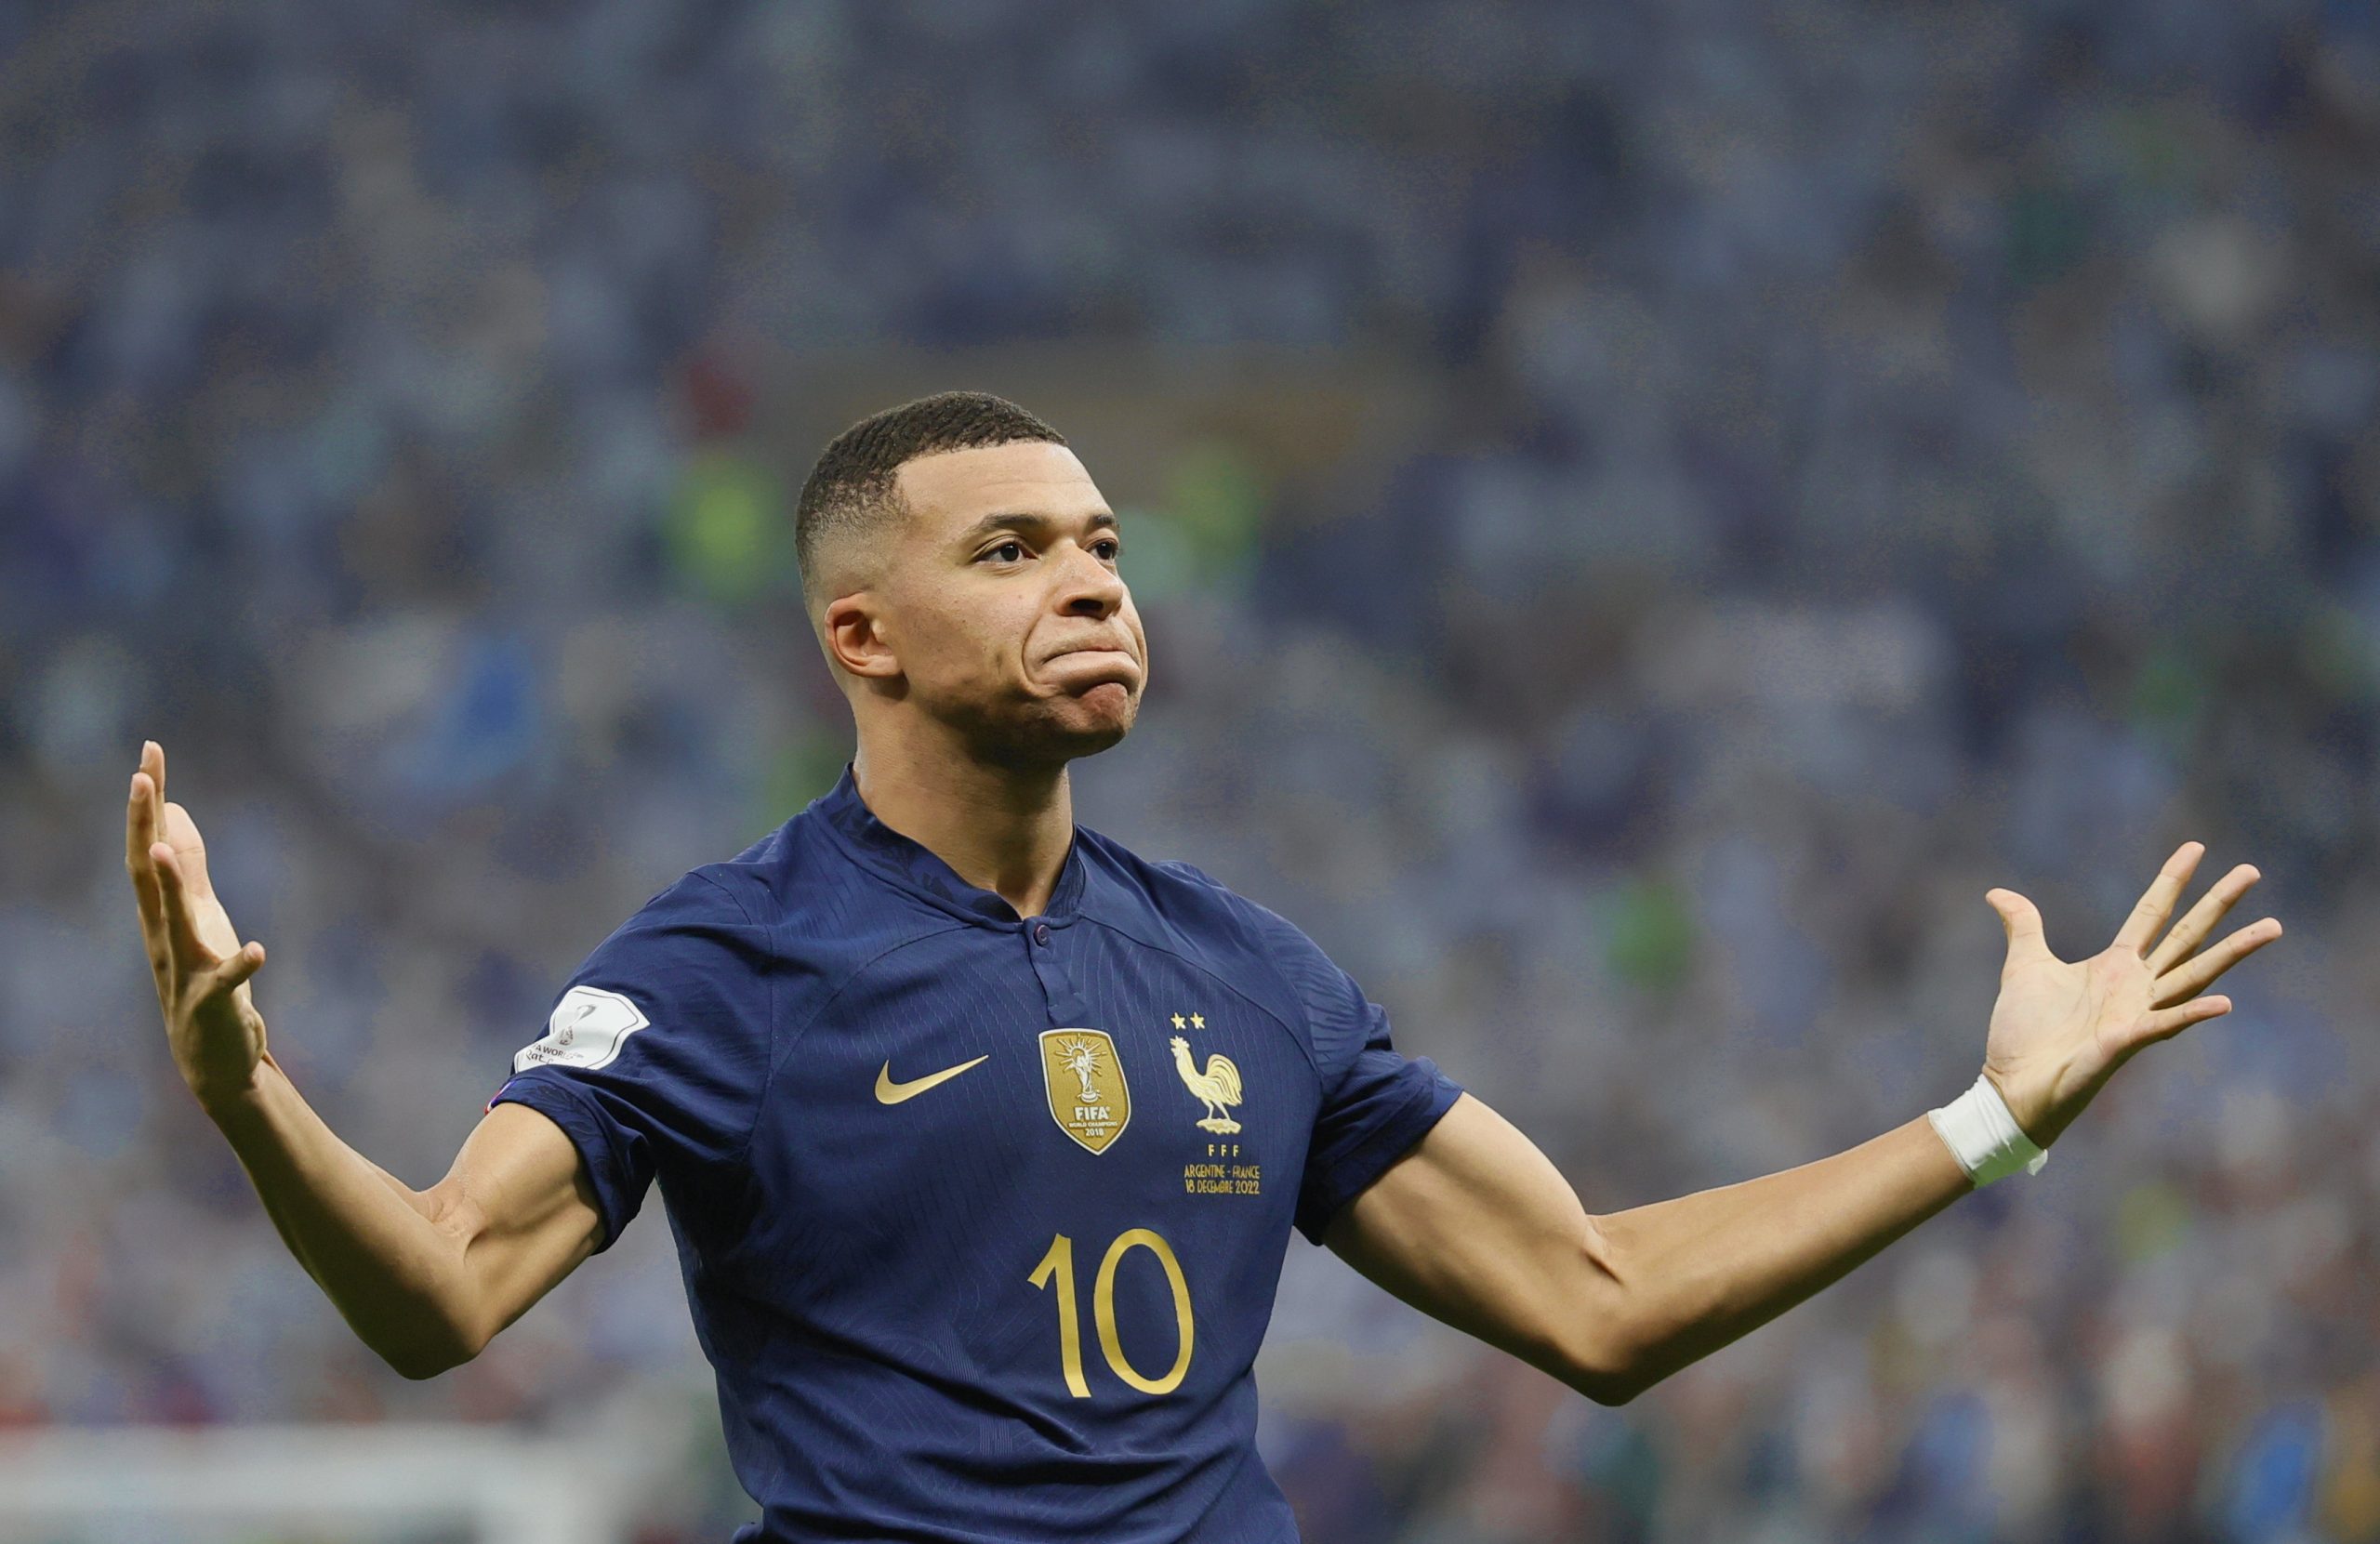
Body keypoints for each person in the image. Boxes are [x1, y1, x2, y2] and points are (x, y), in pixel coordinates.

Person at [126, 390, 2284, 1543]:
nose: (1090, 583)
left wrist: (1992, 1121)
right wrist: (247, 1094)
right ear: (860, 636)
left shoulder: (1249, 973)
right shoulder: (725, 962)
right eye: (1011, 551)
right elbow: (439, 1291)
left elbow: (1596, 1301)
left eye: (1102, 547)